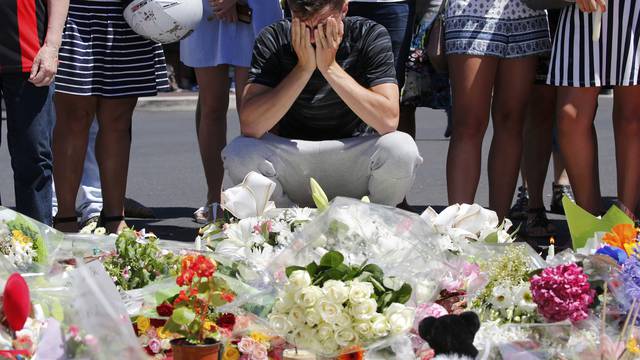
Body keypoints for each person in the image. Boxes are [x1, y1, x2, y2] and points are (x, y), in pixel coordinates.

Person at [223, 0, 423, 207]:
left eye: (321, 25)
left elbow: (388, 120)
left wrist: (330, 68)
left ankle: (375, 220)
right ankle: (283, 222)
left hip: (353, 158)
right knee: (240, 151)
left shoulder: (369, 34)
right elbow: (250, 125)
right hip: (295, 159)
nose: (312, 36)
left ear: (344, 8)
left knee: (401, 148)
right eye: (303, 24)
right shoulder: (274, 37)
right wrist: (303, 69)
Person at [52, 0, 170, 234]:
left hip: (131, 14)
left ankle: (115, 216)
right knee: (73, 119)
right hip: (74, 13)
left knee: (118, 121)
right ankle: (65, 218)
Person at [444, 0, 551, 220]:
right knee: (468, 124)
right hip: (471, 11)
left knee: (511, 120)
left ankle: (498, 228)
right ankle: (457, 232)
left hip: (524, 10)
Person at [181, 0, 282, 223]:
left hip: (256, 7)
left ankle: (261, 196)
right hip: (208, 8)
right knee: (211, 104)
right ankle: (214, 197)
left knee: (254, 109)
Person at [548, 0, 640, 218]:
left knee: (633, 117)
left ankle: (625, 224)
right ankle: (588, 223)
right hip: (582, 10)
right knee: (570, 116)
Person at [0, 0, 69, 225]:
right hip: (28, 55)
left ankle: (38, 247)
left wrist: (52, 46)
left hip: (30, 53)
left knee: (33, 157)